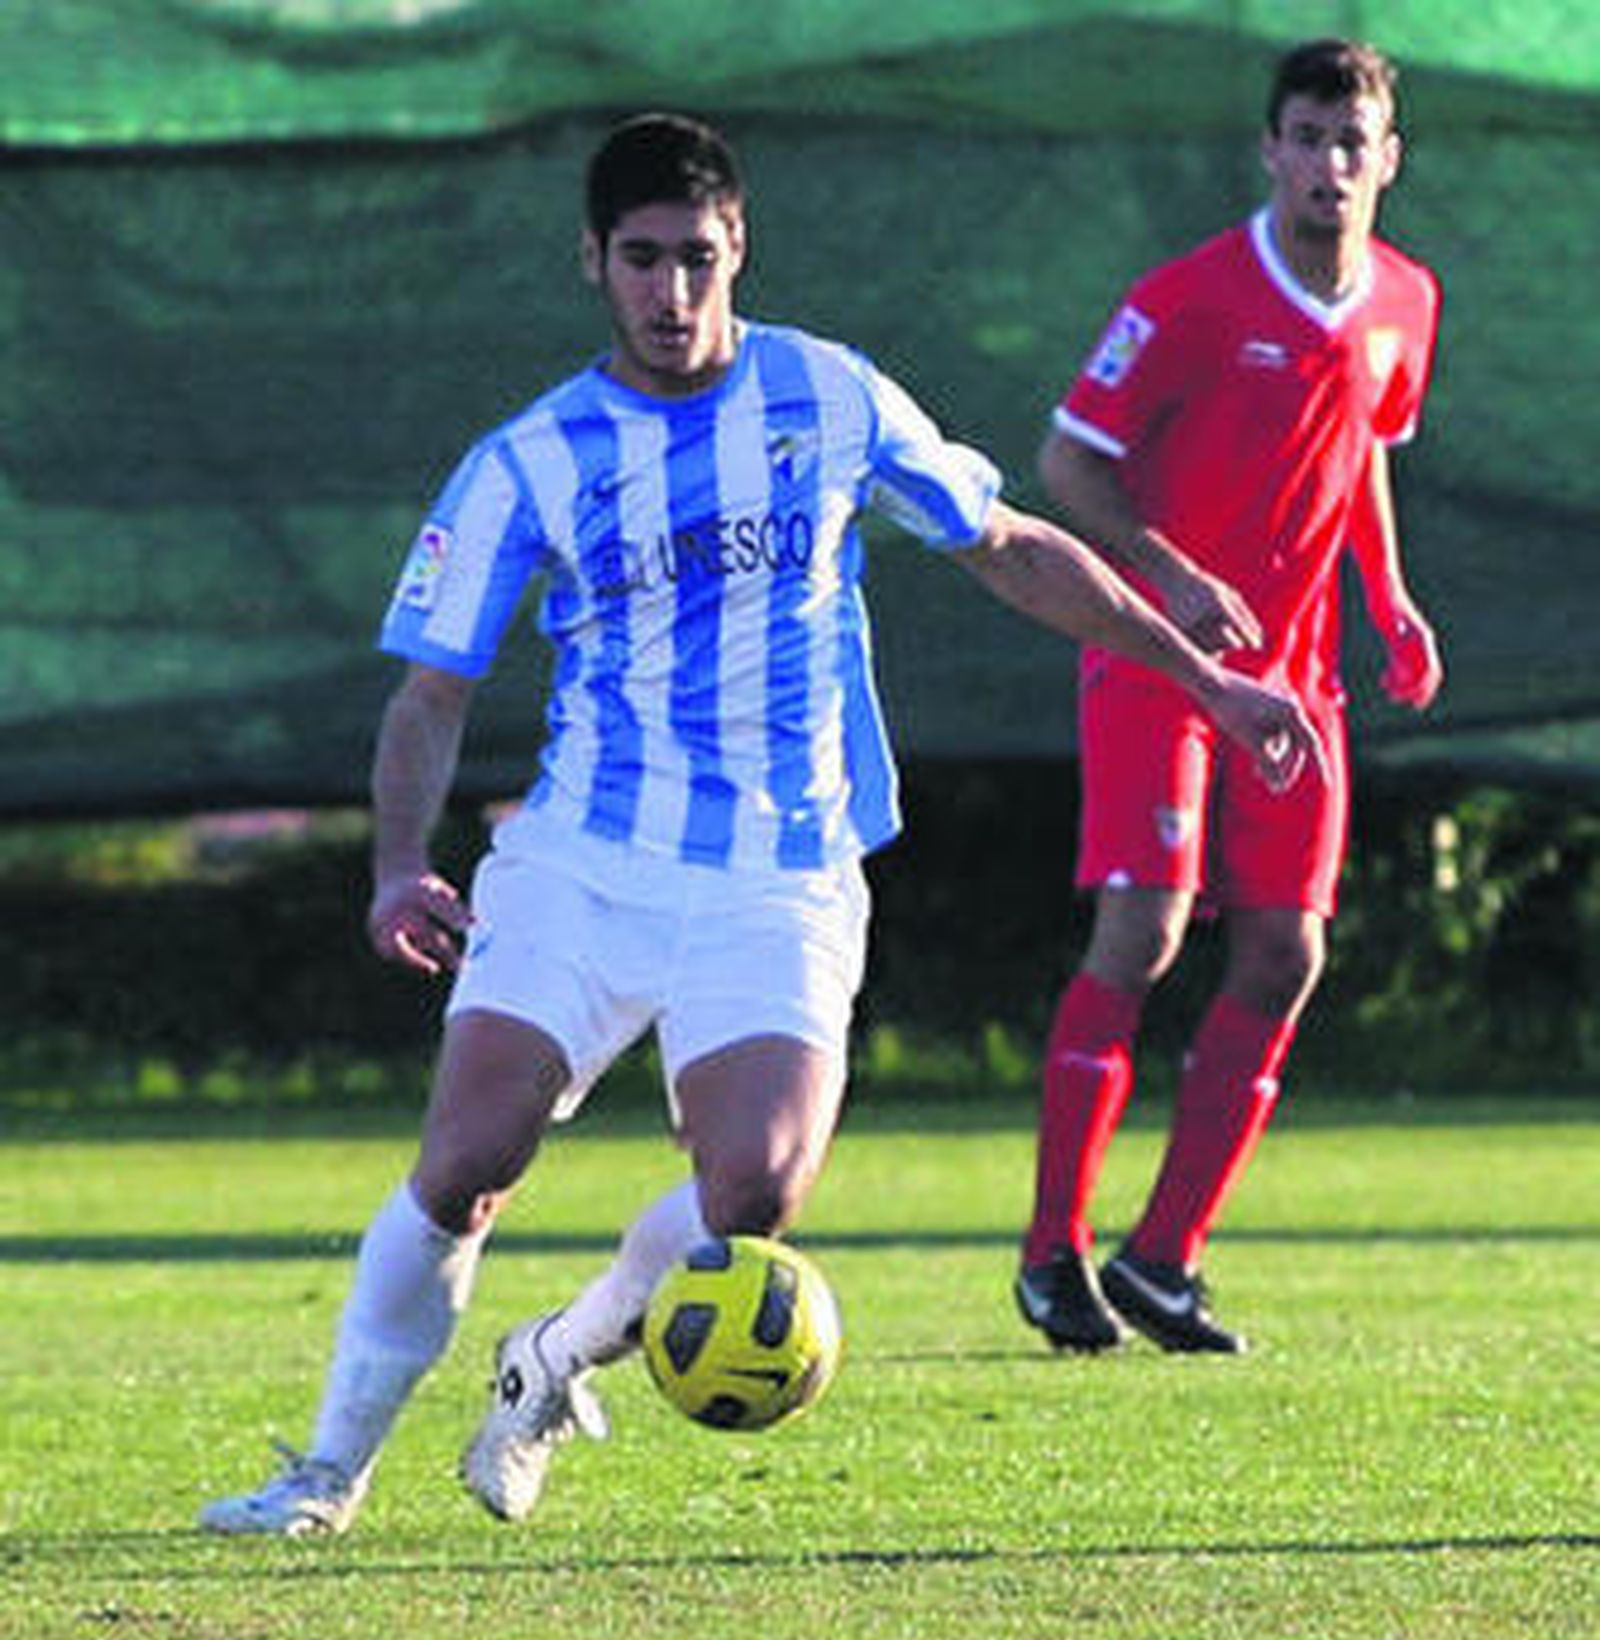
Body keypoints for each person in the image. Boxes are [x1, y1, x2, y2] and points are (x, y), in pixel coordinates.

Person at [199, 110, 1318, 1538]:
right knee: (469, 1159)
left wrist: (1207, 677)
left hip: (781, 869)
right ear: (593, 264)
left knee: (758, 1192)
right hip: (583, 863)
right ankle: (328, 1474)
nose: (673, 293)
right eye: (643, 261)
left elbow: (1011, 546)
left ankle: (556, 1355)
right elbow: (428, 696)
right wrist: (401, 862)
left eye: (699, 259)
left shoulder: (827, 395)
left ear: (741, 252)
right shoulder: (533, 458)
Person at [1014, 38, 1443, 1357]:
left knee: (1284, 954)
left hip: (1298, 682)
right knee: (1142, 934)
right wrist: (1171, 576)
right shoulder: (1190, 296)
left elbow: (1363, 449)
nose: (1327, 164)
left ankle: (1163, 1259)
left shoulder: (1406, 301)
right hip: (1157, 660)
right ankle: (1050, 1256)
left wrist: (1391, 601)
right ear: (1270, 151)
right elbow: (1067, 467)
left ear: (1387, 159)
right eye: (1305, 137)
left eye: (1349, 141)